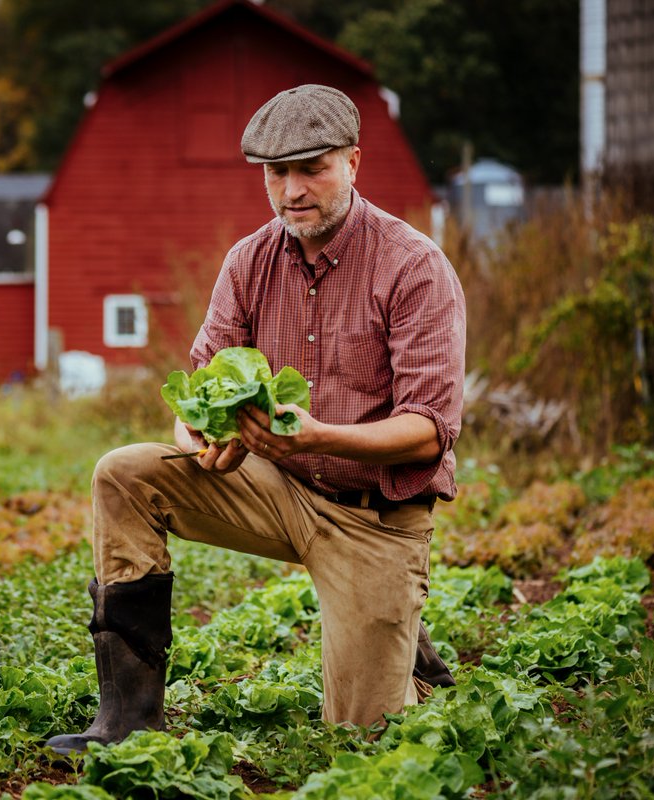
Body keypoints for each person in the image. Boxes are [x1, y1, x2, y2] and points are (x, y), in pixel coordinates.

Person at [45, 84, 466, 754]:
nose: (293, 190)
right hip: (275, 489)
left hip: (372, 517)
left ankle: (394, 636)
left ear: (353, 163)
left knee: (363, 744)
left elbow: (429, 428)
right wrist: (201, 438)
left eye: (312, 168)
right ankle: (126, 724)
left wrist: (321, 434)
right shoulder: (249, 261)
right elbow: (200, 390)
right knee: (124, 474)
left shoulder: (412, 265)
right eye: (277, 173)